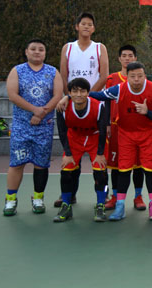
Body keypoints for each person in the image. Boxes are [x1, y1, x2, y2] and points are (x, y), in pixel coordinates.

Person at [81, 62, 152, 221]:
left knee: (149, 170)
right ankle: (120, 206)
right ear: (127, 77)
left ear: (145, 76)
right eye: (133, 76)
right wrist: (69, 97)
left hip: (148, 135)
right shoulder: (119, 89)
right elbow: (97, 95)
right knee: (123, 170)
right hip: (126, 135)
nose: (136, 79)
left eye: (140, 76)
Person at [3, 39, 63, 216]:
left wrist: (41, 114)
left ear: (45, 53)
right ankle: (11, 199)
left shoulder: (52, 72)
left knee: (41, 165)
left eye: (41, 49)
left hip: (44, 127)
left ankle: (38, 198)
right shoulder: (17, 71)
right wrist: (34, 110)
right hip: (22, 126)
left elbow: (57, 95)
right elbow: (13, 95)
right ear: (26, 52)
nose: (37, 52)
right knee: (17, 163)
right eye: (33, 49)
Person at [56, 11, 109, 208]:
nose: (86, 27)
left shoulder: (99, 48)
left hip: (93, 103)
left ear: (93, 28)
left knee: (100, 163)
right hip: (73, 101)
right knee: (72, 160)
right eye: (83, 24)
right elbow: (64, 75)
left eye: (90, 24)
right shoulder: (68, 48)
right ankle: (69, 195)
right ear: (77, 27)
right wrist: (70, 96)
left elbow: (104, 76)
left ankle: (103, 197)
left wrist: (87, 96)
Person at [54, 78, 108, 222]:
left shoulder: (98, 107)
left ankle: (101, 205)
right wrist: (67, 153)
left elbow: (103, 131)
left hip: (94, 138)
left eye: (83, 91)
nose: (79, 94)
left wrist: (100, 153)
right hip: (74, 138)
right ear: (69, 93)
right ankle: (66, 205)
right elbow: (62, 132)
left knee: (101, 172)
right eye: (75, 91)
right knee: (66, 172)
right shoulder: (62, 108)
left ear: (88, 93)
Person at [104, 45, 146, 212]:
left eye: (130, 55)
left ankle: (138, 196)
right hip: (116, 128)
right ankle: (115, 196)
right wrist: (107, 123)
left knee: (138, 165)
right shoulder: (112, 79)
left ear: (135, 58)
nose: (127, 58)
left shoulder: (140, 79)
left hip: (137, 127)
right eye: (124, 55)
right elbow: (106, 101)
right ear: (119, 59)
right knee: (116, 165)